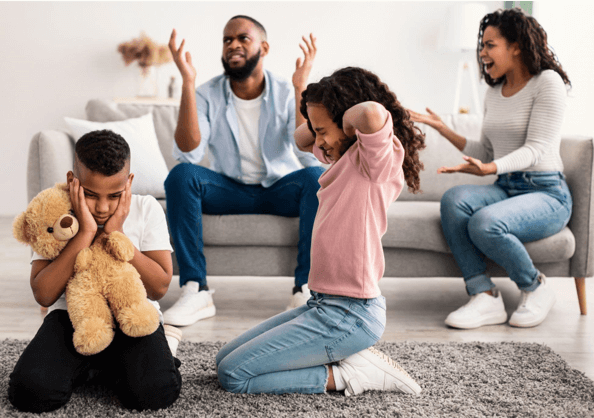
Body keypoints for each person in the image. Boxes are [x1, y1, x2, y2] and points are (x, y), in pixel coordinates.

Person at [215, 67, 425, 396]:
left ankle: (350, 376)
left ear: (347, 124)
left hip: (351, 313)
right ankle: (346, 358)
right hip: (323, 304)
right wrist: (320, 116)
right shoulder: (344, 157)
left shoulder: (375, 161)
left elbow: (369, 112)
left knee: (234, 375)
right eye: (319, 132)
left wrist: (338, 113)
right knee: (223, 359)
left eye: (325, 131)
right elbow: (300, 137)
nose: (320, 140)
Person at [409, 8, 572, 329]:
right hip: (507, 187)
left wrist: (490, 168)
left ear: (517, 45)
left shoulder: (547, 83)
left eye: (489, 44)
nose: (482, 52)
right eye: (481, 45)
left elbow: (536, 148)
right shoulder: (494, 92)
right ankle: (484, 294)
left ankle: (535, 287)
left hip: (546, 192)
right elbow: (484, 151)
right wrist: (443, 128)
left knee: (485, 222)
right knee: (455, 199)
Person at [163, 15, 325, 327]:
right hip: (230, 190)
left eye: (242, 38)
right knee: (181, 176)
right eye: (227, 40)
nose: (233, 45)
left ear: (263, 47)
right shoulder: (206, 93)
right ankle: (195, 289)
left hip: (280, 190)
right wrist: (187, 82)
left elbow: (309, 156)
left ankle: (304, 290)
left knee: (316, 178)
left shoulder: (285, 89)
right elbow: (188, 152)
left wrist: (301, 88)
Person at [8, 130, 181, 413]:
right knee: (30, 393)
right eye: (90, 195)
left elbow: (159, 287)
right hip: (73, 316)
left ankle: (156, 350)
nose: (102, 208)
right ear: (71, 181)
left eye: (114, 195)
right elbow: (44, 294)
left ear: (129, 182)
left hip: (132, 314)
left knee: (153, 394)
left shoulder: (146, 208)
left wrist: (117, 233)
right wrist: (85, 233)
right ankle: (104, 365)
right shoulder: (55, 211)